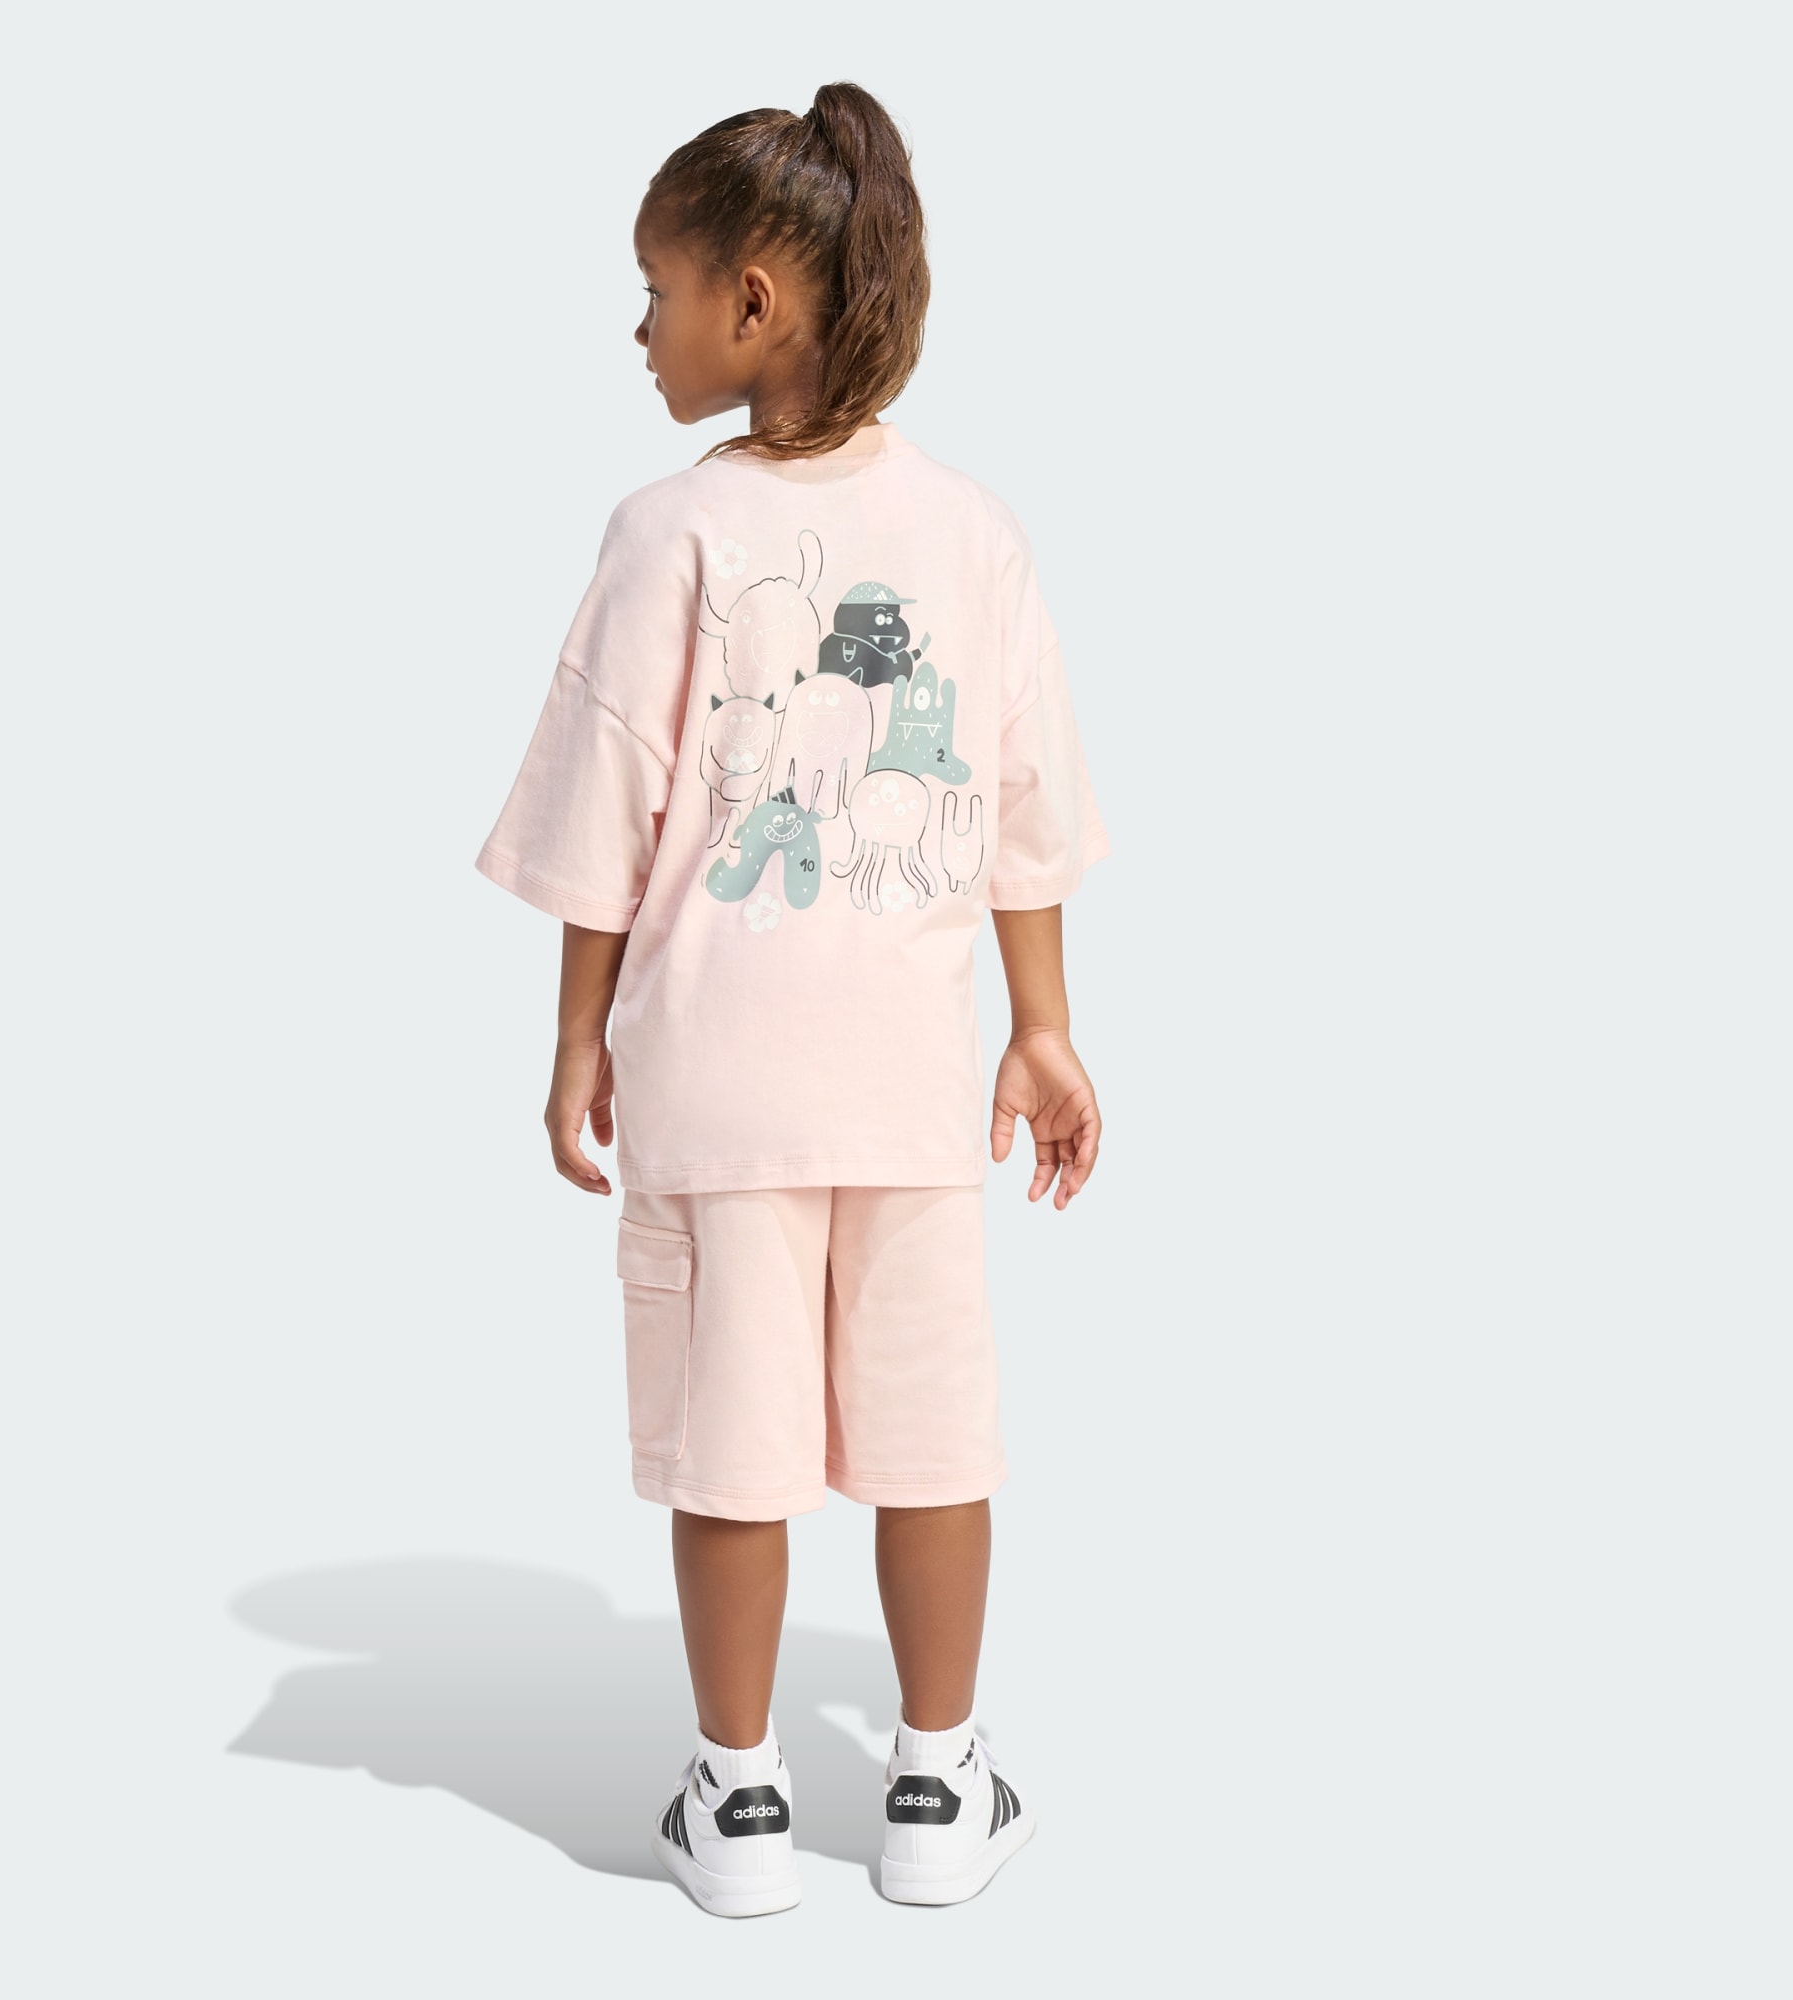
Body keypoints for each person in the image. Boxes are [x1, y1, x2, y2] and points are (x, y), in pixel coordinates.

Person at [476, 82, 1107, 1916]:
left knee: (732, 1450)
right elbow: (1021, 805)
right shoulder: (973, 530)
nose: (640, 329)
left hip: (720, 1085)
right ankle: (936, 1782)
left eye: (656, 289)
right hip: (909, 1089)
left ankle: (740, 1802)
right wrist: (1042, 1025)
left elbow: (605, 809)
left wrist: (575, 1036)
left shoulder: (665, 531)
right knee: (933, 1439)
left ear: (751, 302)